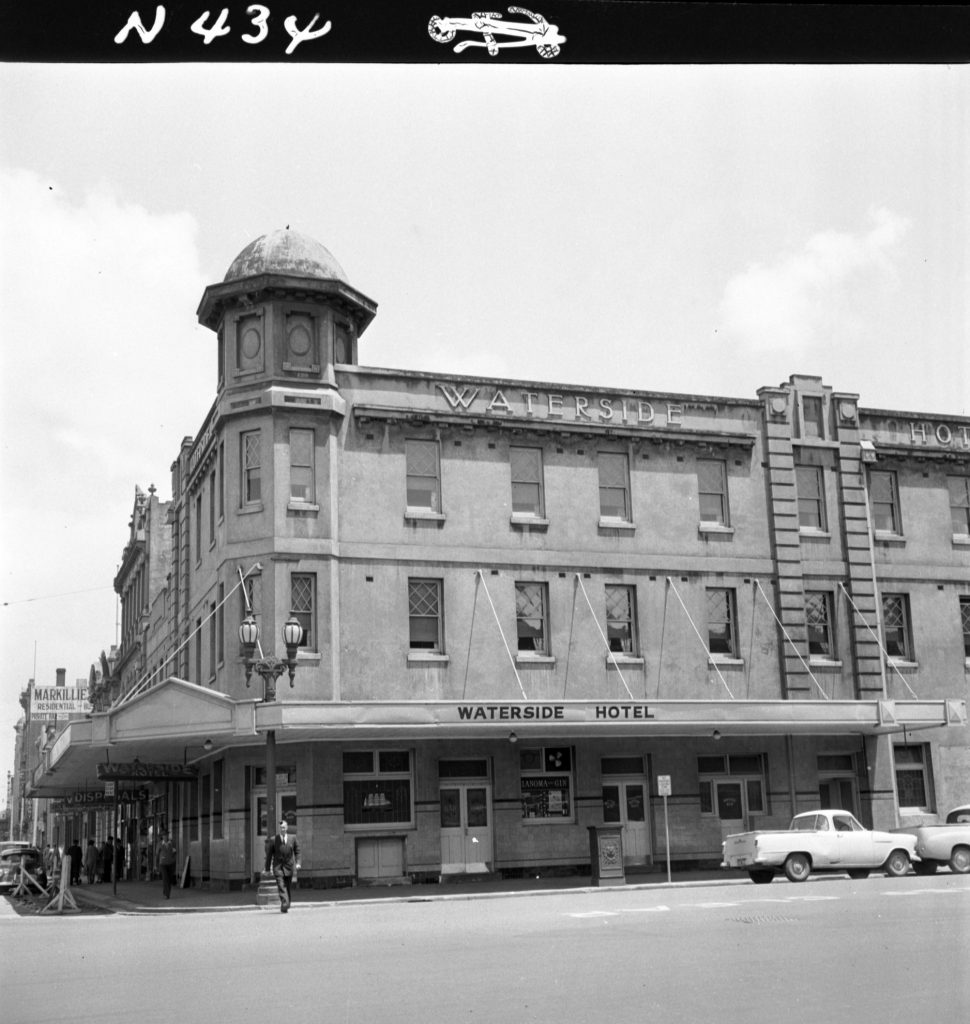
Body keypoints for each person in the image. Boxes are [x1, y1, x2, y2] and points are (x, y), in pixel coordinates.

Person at [264, 818, 300, 913]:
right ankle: (285, 903)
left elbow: (297, 851)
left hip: (289, 866)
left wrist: (298, 863)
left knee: (287, 886)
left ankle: (285, 905)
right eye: (281, 828)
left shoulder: (293, 838)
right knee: (281, 885)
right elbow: (269, 855)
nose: (282, 829)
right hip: (278, 867)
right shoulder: (273, 840)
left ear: (287, 828)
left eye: (284, 827)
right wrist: (267, 869)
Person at [156, 831, 177, 899]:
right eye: (164, 835)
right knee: (165, 878)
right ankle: (166, 894)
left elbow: (175, 852)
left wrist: (172, 857)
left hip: (171, 863)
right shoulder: (159, 844)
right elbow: (157, 854)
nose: (165, 837)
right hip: (163, 864)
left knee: (169, 879)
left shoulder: (172, 843)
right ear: (162, 836)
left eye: (166, 835)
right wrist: (157, 864)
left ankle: (167, 892)